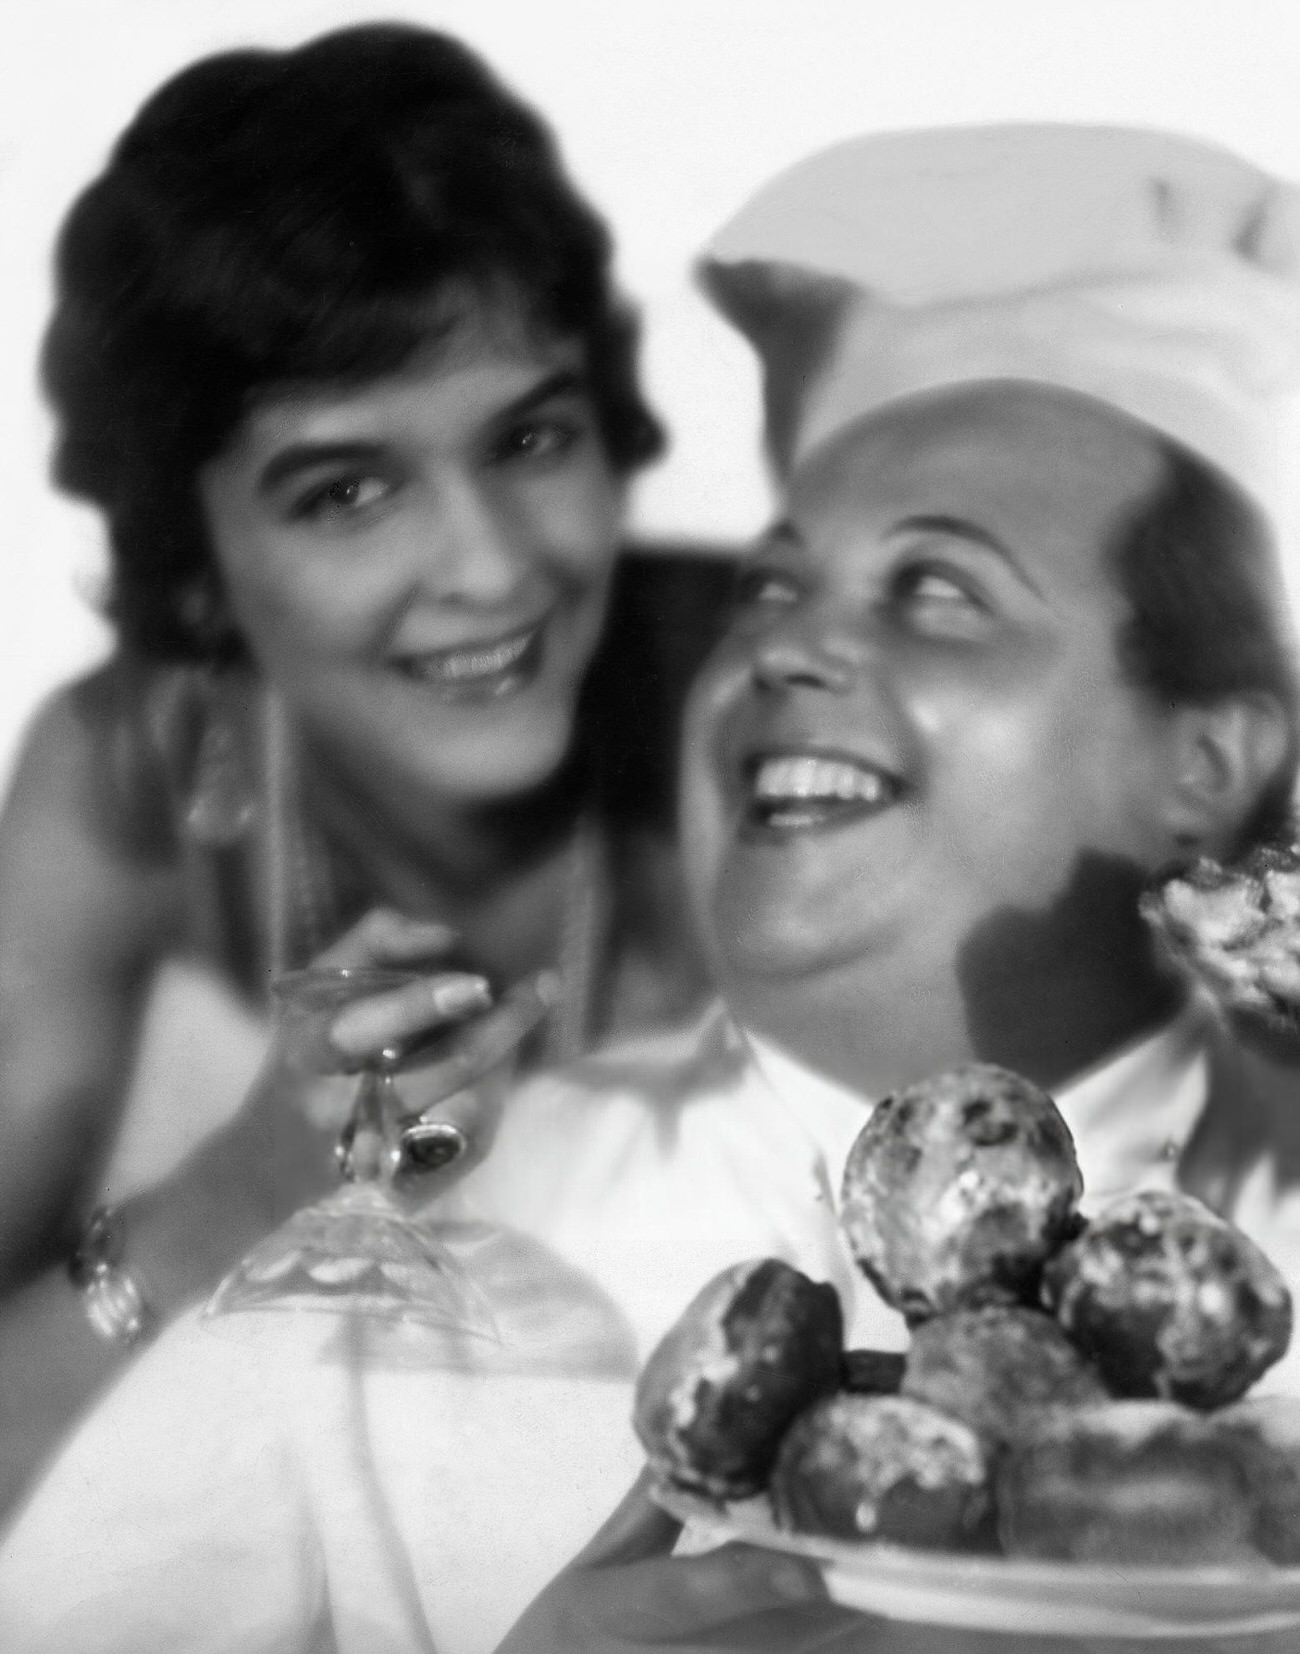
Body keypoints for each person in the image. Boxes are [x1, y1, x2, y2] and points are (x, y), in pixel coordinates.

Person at [5, 124, 1300, 1654]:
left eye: (941, 591)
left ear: (1216, 759)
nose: (485, 570)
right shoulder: (385, 1295)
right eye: (772, 583)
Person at [0, 21, 727, 1518]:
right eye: (346, 490)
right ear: (195, 568)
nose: (489, 566)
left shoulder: (769, 705)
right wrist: (250, 1182)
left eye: (530, 435)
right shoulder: (128, 776)